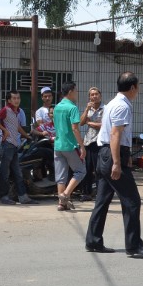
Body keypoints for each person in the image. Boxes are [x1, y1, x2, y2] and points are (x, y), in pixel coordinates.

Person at [85, 72, 143, 257]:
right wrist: (117, 163)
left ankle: (93, 241)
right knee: (132, 200)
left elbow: (113, 134)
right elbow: (115, 134)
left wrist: (125, 157)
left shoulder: (111, 104)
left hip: (105, 155)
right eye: (138, 87)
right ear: (132, 87)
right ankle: (133, 246)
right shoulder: (122, 106)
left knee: (102, 201)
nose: (138, 90)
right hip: (112, 156)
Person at [0, 90, 38, 205]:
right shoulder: (6, 110)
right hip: (7, 144)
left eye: (18, 98)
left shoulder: (16, 112)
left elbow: (17, 127)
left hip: (13, 145)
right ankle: (4, 196)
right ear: (9, 100)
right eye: (14, 98)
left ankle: (23, 196)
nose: (17, 100)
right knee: (5, 172)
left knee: (17, 172)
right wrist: (4, 130)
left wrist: (27, 136)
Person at [53, 81, 87, 211]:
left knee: (61, 175)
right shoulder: (72, 108)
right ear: (71, 91)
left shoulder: (57, 107)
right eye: (76, 90)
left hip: (58, 145)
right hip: (70, 145)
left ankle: (62, 204)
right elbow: (75, 129)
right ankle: (65, 195)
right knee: (81, 171)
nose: (77, 93)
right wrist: (82, 146)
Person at [79, 87, 104, 202]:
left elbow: (103, 125)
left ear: (100, 95)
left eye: (96, 94)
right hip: (88, 142)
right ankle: (86, 193)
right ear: (89, 97)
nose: (94, 96)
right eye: (92, 95)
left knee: (99, 169)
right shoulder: (88, 109)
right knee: (87, 169)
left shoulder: (105, 109)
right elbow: (81, 122)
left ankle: (100, 193)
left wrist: (90, 122)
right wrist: (87, 109)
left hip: (99, 142)